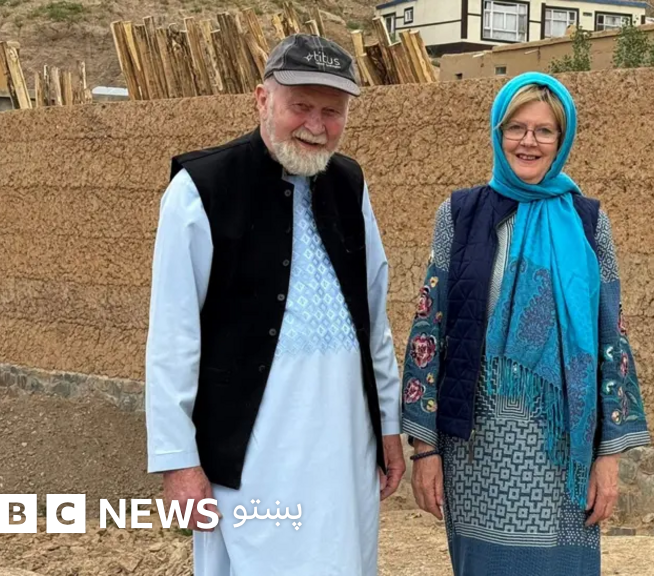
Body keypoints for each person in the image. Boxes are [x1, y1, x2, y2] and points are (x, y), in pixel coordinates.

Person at [144, 33, 405, 575]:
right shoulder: (200, 189)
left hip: (347, 446)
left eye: (332, 111)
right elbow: (173, 336)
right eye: (300, 106)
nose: (316, 125)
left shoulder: (350, 184)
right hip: (254, 456)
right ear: (262, 99)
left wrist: (388, 424)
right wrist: (178, 461)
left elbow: (373, 318)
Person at [400, 72, 651, 575]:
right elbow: (429, 327)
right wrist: (425, 449)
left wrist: (608, 456)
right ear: (498, 133)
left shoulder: (587, 222)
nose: (528, 142)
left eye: (544, 130)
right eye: (516, 127)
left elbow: (611, 338)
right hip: (474, 451)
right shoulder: (459, 215)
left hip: (564, 451)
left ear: (562, 139)